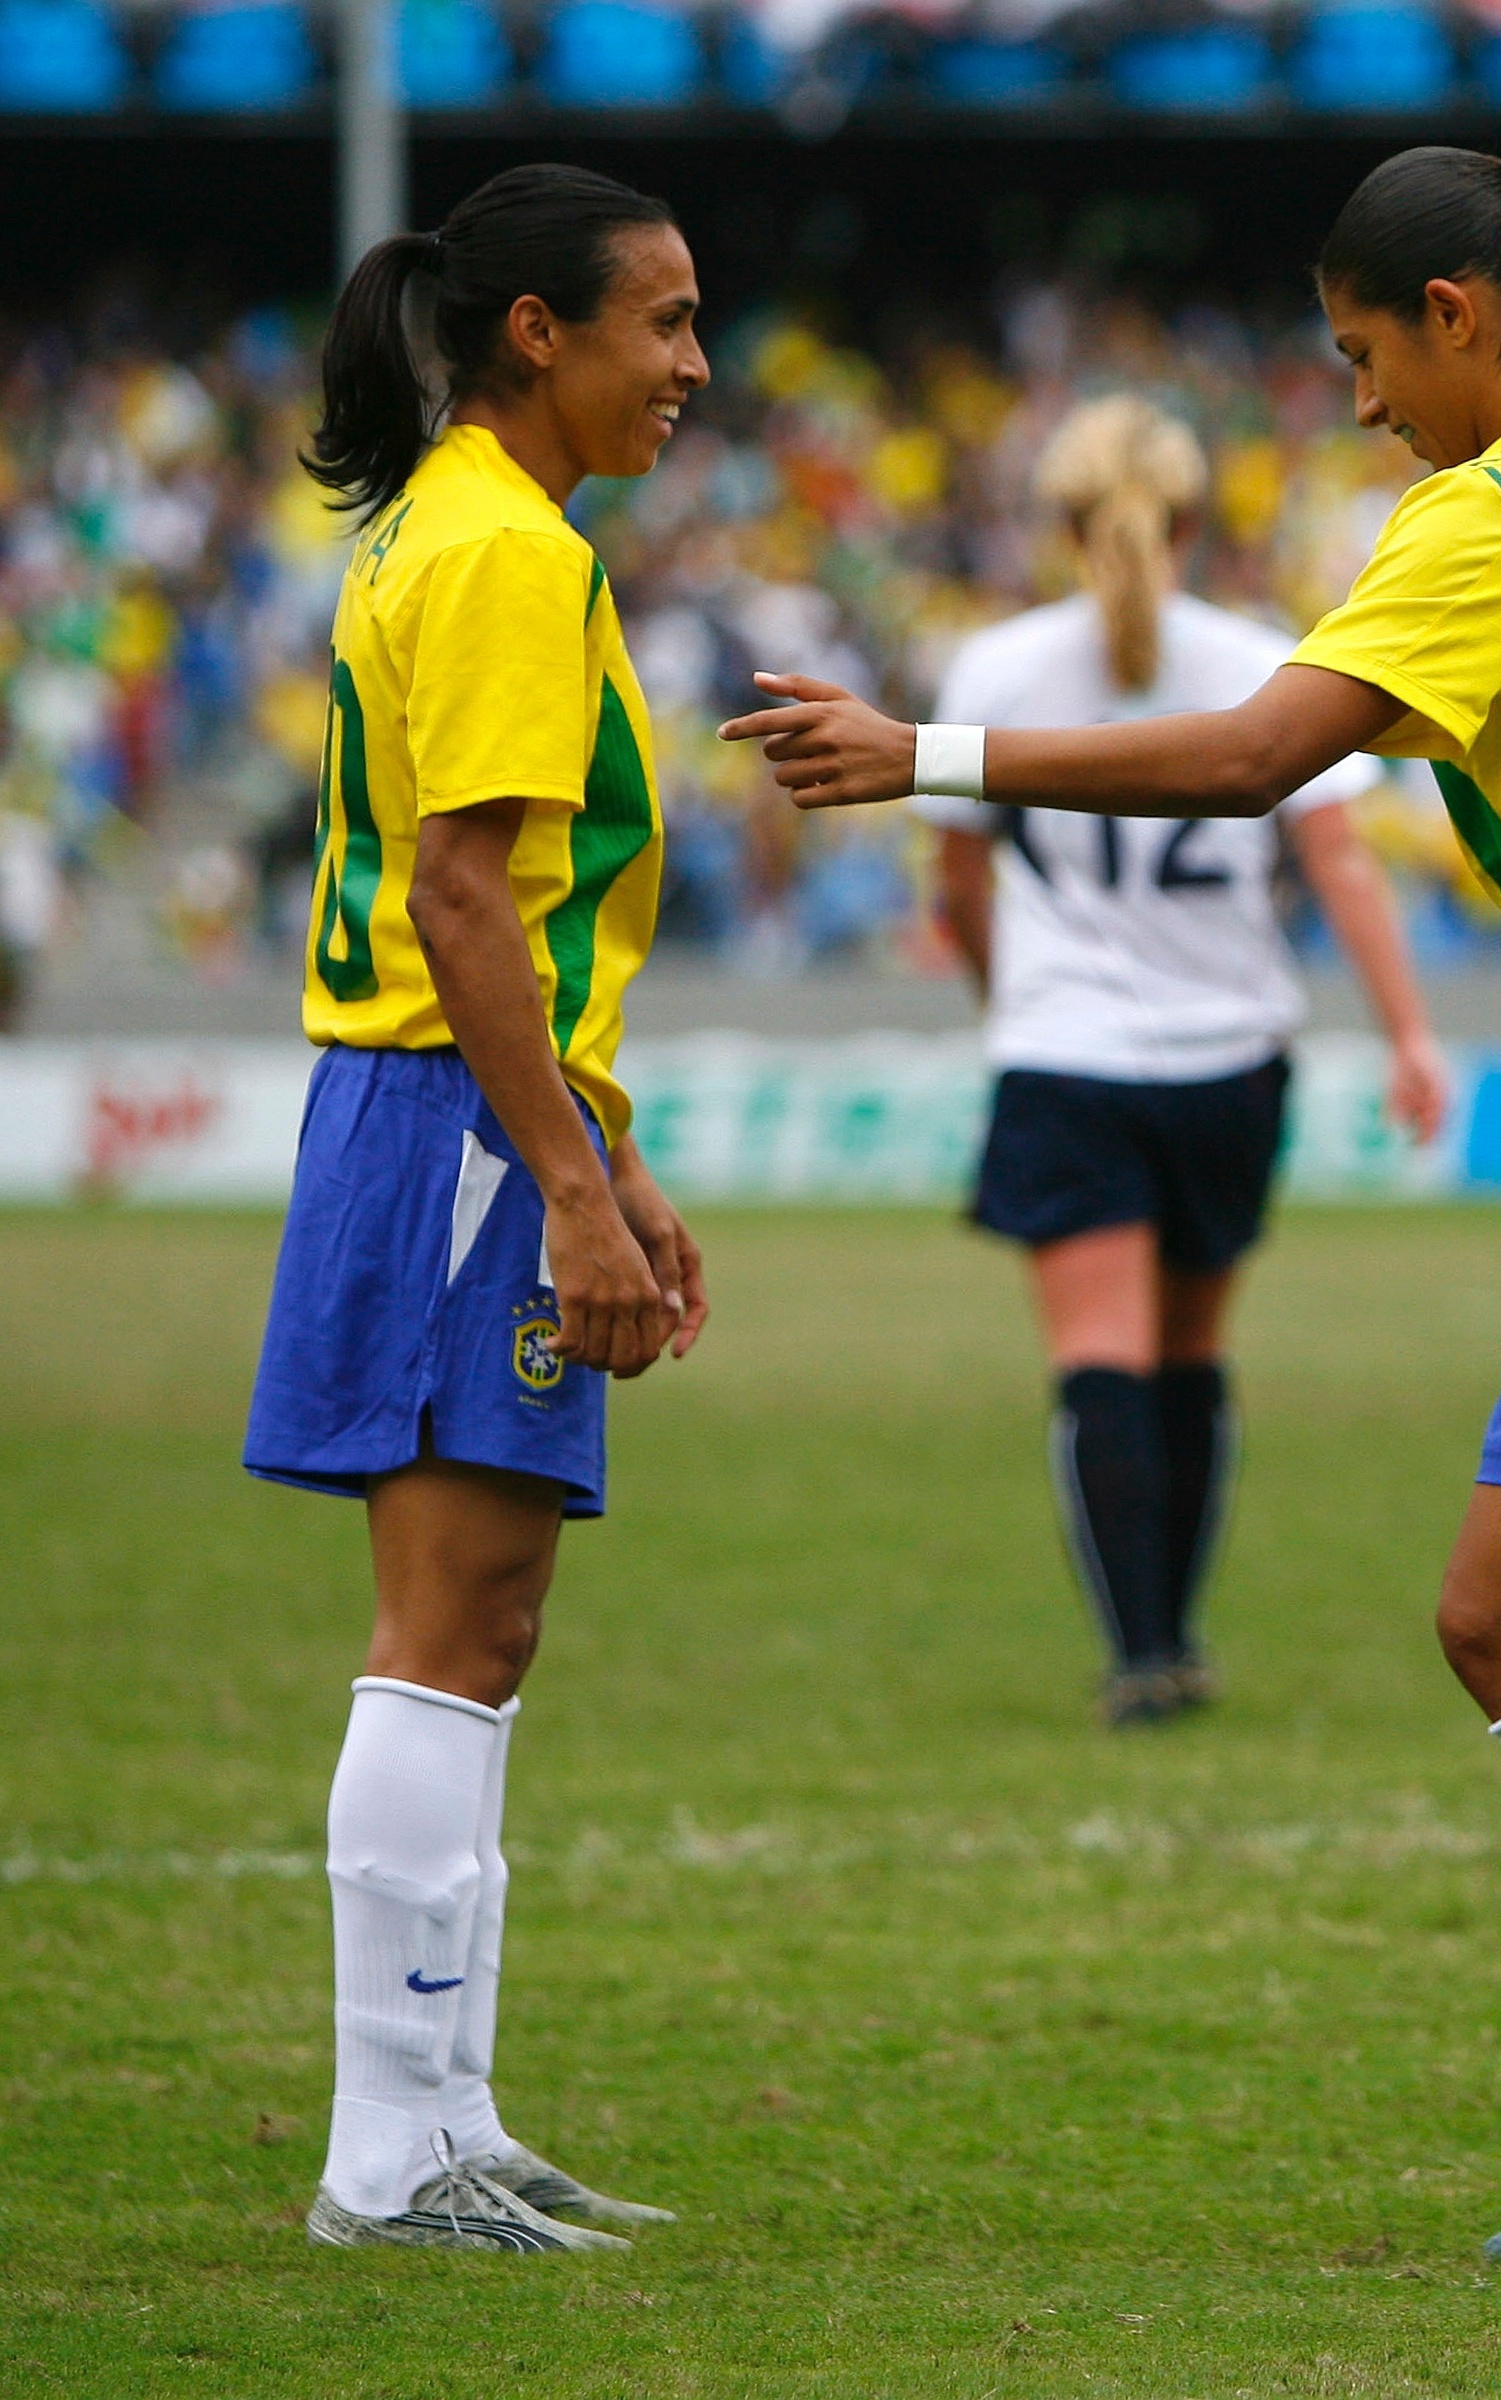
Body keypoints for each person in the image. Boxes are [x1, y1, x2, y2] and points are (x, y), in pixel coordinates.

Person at [724, 130, 1501, 2273]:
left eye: (1359, 351)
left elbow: (1248, 755)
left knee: (1500, 1620)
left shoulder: (1483, 518)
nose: (1355, 398)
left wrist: (923, 754)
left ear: (1456, 320)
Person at [244, 163, 710, 2254]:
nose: (694, 366)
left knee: (483, 1626)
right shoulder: (509, 554)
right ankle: (383, 2156)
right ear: (539, 331)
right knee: (454, 1624)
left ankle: (445, 2118)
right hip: (447, 1126)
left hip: (459, 1115)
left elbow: (493, 902)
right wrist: (561, 1183)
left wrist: (601, 1153)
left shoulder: (457, 524)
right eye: (664, 322)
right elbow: (460, 897)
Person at [914, 396, 1447, 1727]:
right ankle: (1181, 1637)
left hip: (1064, 1053)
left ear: (1057, 524)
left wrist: (1011, 1001)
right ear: (1197, 520)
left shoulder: (995, 669)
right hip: (1227, 1056)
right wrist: (1408, 1034)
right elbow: (1337, 867)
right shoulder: (1268, 660)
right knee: (1193, 1356)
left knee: (1099, 1360)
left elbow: (959, 886)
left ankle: (1138, 1651)